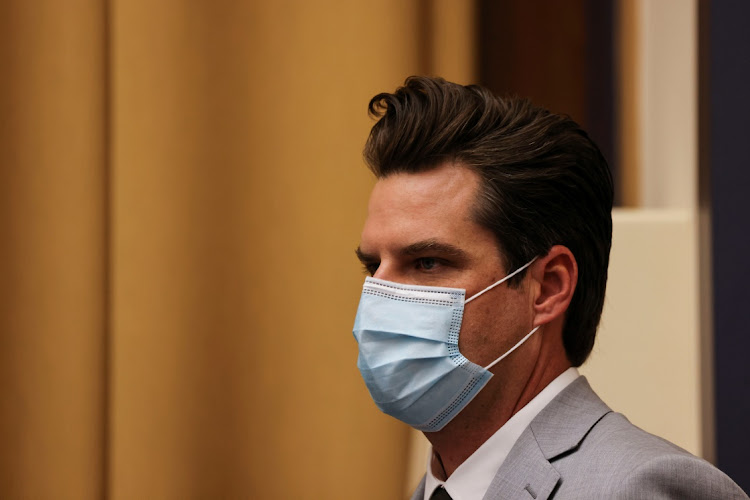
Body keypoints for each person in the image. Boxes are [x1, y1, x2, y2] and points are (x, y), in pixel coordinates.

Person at [351, 76, 748, 500]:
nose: (379, 296)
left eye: (427, 262)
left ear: (548, 288)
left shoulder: (638, 487)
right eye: (373, 265)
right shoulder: (436, 489)